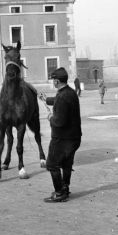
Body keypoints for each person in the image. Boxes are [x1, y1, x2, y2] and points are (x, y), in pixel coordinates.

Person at [42, 67, 82, 203]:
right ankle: (65, 188)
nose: (53, 82)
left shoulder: (63, 96)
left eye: (54, 80)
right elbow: (59, 99)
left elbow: (59, 121)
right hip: (74, 138)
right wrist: (46, 99)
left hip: (62, 139)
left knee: (52, 164)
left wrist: (50, 117)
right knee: (66, 164)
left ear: (57, 81)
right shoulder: (70, 92)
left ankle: (59, 193)